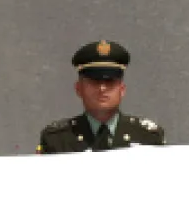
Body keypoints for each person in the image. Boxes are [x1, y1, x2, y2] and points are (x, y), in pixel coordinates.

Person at [37, 41, 166, 154]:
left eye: (109, 82)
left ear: (122, 90)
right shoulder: (57, 140)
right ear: (78, 89)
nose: (102, 88)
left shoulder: (148, 137)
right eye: (94, 81)